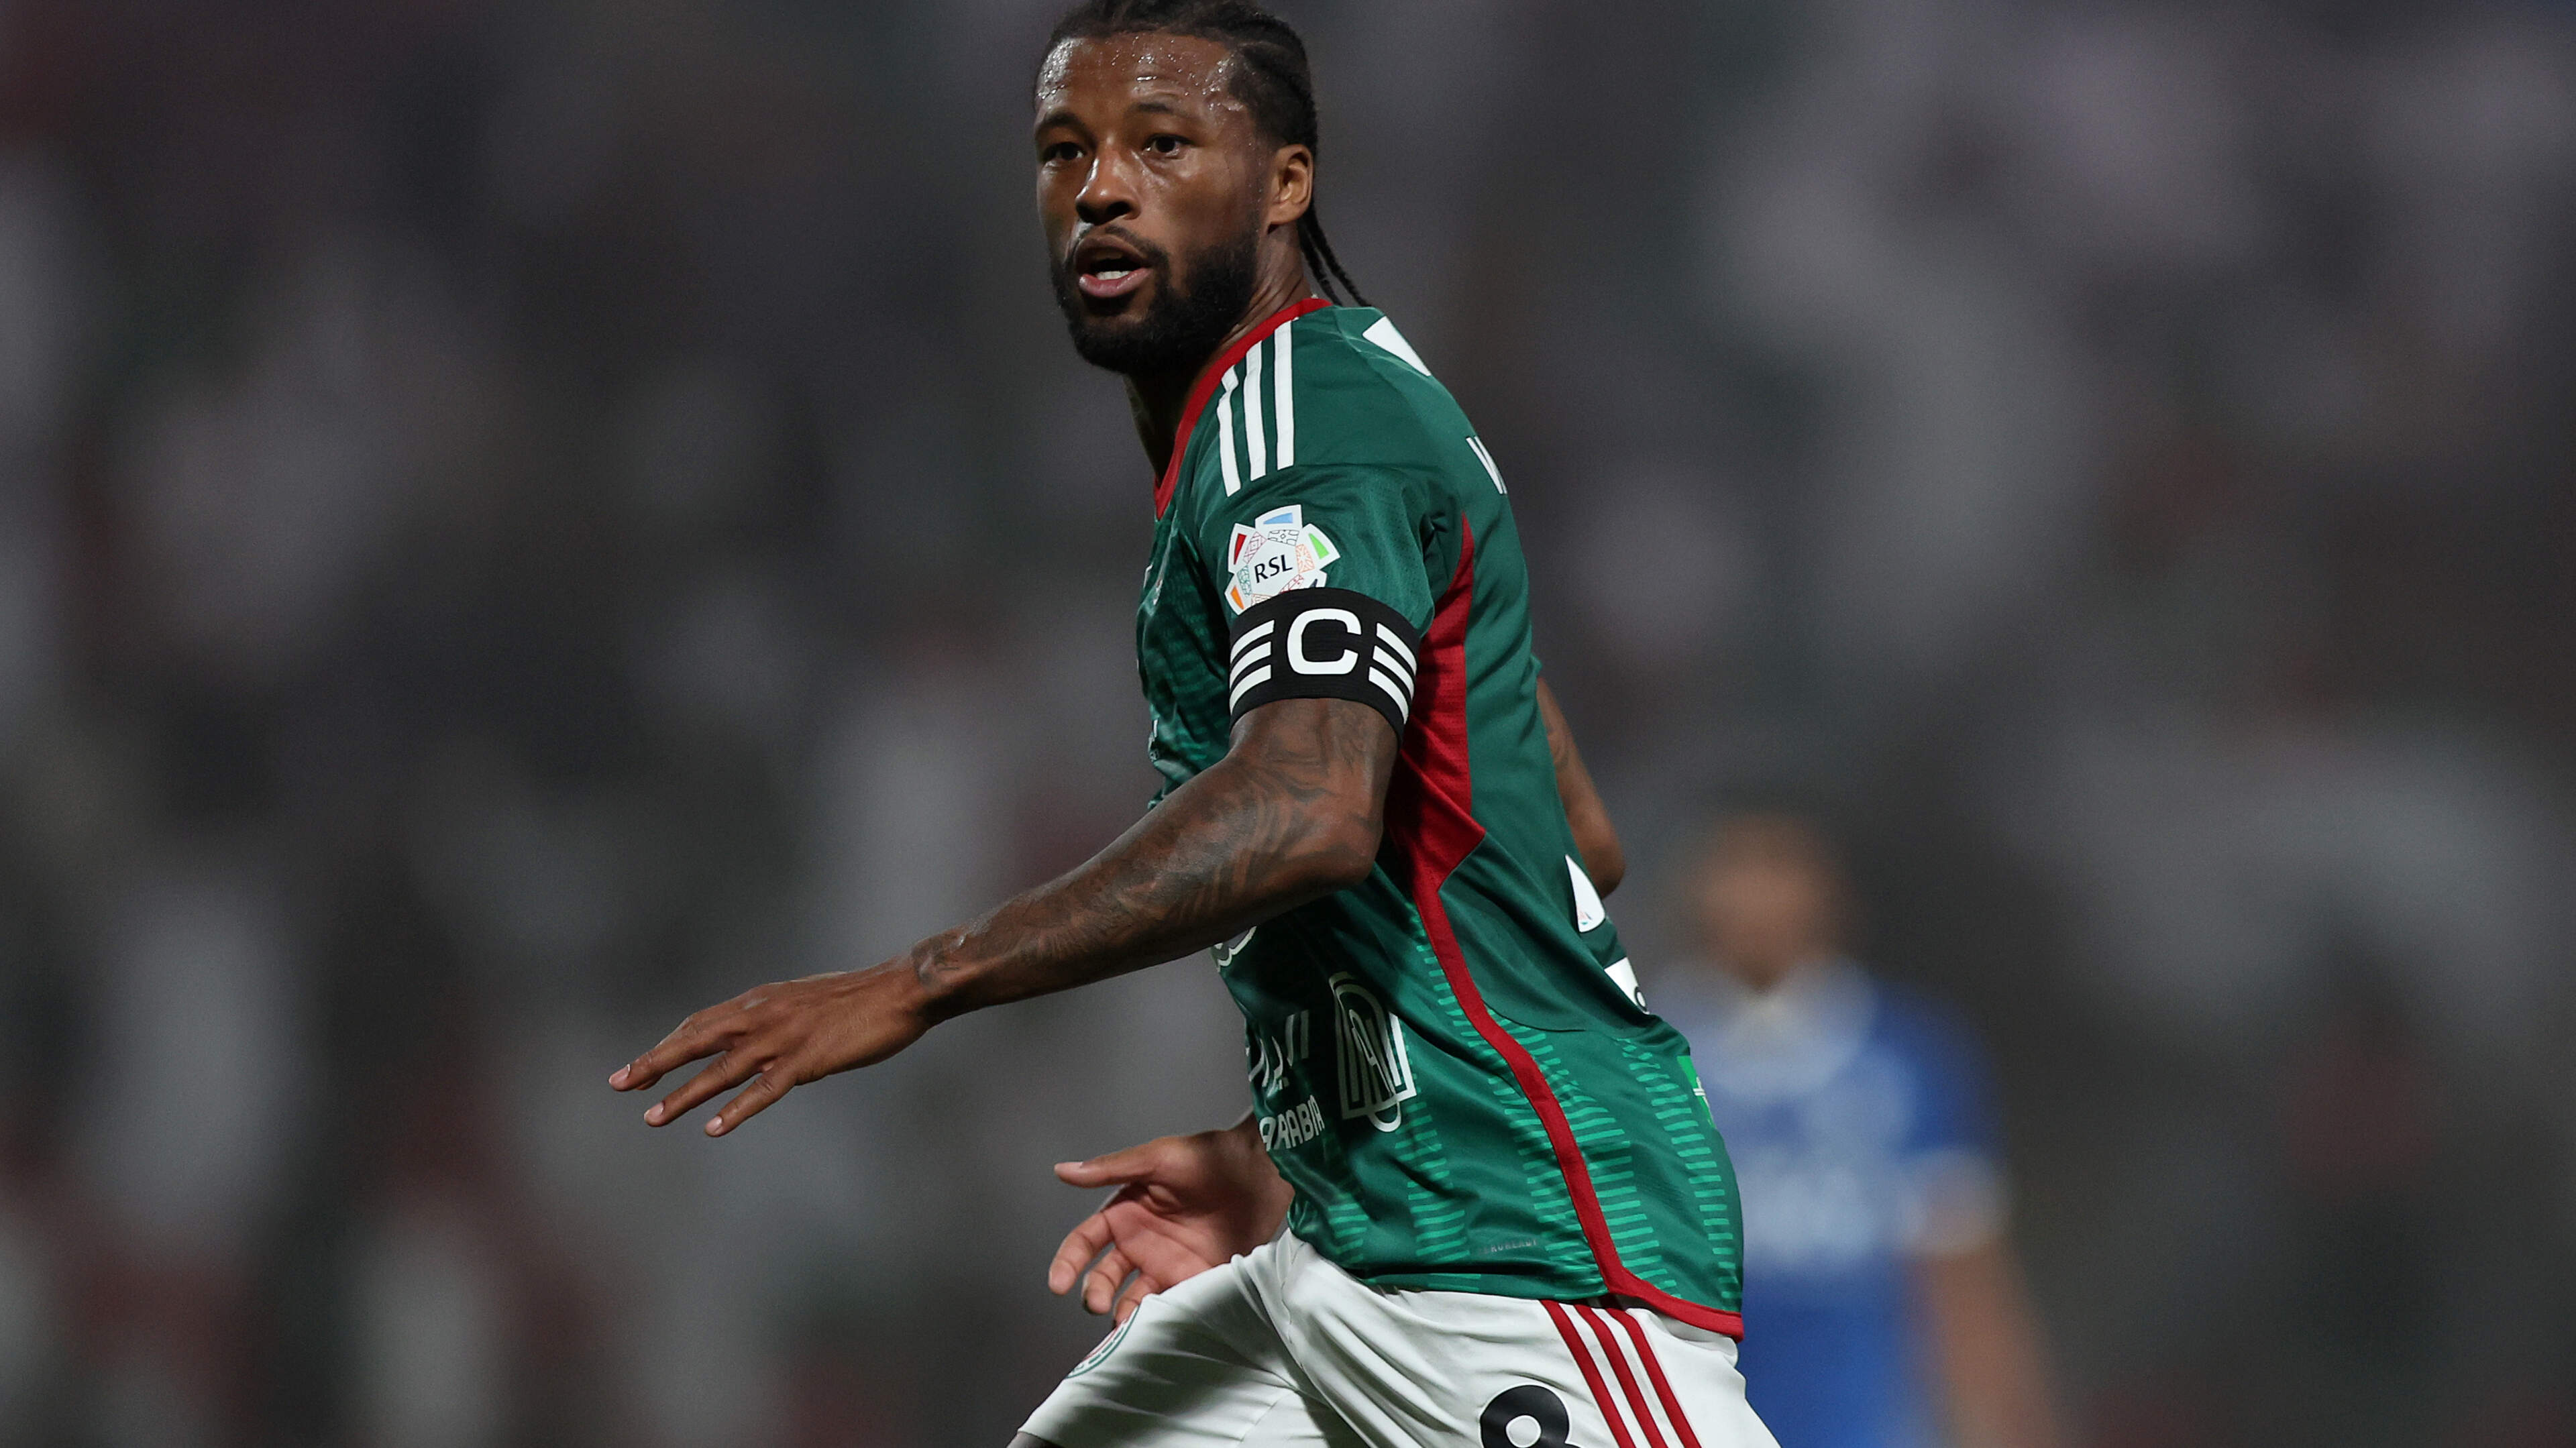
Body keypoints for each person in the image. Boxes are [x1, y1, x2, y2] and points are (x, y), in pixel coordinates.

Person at [608, 3, 1780, 1444]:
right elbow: (1569, 829)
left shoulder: (1306, 420)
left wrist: (922, 978)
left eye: (1163, 144)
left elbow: (1310, 804)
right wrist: (1299, 1140)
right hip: (1357, 1232)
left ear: (1285, 182)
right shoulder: (1286, 425)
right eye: (1065, 150)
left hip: (1519, 1250)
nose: (1101, 186)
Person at [1653, 814, 2063, 1448]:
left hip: (1861, 1423)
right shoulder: (1640, 1054)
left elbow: (1964, 1280)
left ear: (1831, 888)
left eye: (1779, 864)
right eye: (1735, 865)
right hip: (1686, 1418)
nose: (1755, 894)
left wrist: (2008, 1421)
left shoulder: (1911, 1055)